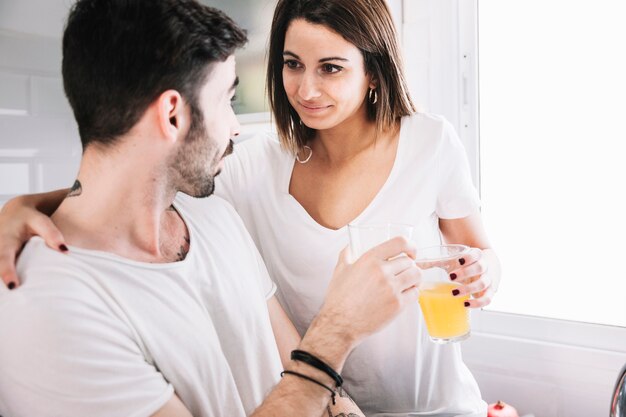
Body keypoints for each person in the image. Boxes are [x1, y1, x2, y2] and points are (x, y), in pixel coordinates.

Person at [0, 0, 502, 416]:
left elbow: (478, 255)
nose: (305, 90)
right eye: (230, 101)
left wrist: (482, 273)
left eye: (331, 68)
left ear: (374, 73)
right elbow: (128, 183)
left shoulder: (428, 141)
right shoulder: (247, 170)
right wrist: (21, 207)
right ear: (173, 113)